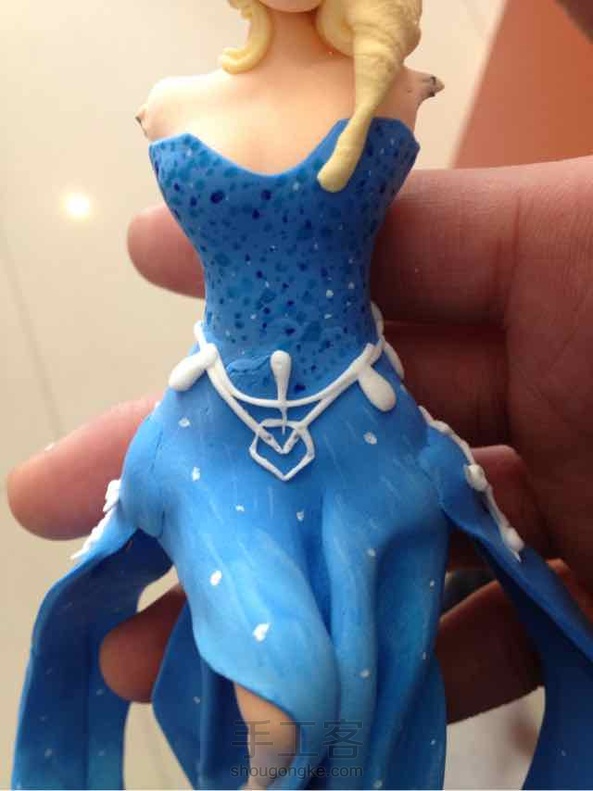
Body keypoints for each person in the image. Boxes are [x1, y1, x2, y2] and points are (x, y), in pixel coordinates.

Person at [8, 0, 593, 788]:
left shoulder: (391, 90)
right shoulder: (174, 101)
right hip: (209, 435)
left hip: (360, 433)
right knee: (292, 690)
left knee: (356, 697)